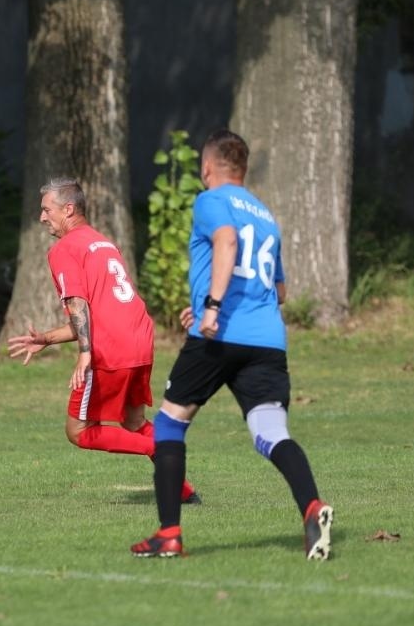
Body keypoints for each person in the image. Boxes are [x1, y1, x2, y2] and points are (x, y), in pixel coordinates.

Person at [130, 130, 333, 560]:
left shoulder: (211, 201)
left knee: (169, 424)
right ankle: (312, 506)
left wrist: (212, 307)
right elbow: (279, 292)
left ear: (207, 167)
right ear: (242, 169)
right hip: (268, 341)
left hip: (220, 336)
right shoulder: (265, 215)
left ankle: (169, 534)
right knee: (271, 433)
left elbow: (226, 241)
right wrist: (209, 302)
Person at [7, 178, 199, 504]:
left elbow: (78, 304)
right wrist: (47, 339)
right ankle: (184, 493)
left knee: (79, 431)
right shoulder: (102, 242)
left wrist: (85, 353)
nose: (41, 217)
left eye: (46, 210)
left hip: (111, 348)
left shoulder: (64, 249)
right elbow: (98, 312)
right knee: (133, 421)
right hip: (140, 339)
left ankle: (163, 446)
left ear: (68, 209)